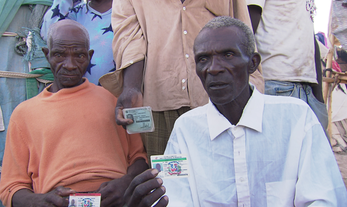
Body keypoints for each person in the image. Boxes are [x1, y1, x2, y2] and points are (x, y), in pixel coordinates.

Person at [123, 16, 347, 206]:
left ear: (253, 63)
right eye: (203, 59)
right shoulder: (186, 130)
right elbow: (178, 199)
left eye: (228, 55)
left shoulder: (295, 118)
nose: (214, 68)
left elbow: (323, 197)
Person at [0, 19, 148, 207]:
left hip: (117, 200)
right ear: (47, 55)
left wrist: (125, 184)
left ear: (90, 56)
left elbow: (140, 158)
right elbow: (10, 188)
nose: (69, 65)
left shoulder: (112, 101)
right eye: (59, 55)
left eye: (79, 55)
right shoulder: (23, 114)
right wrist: (40, 201)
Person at [99, 0, 265, 160]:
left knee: (228, 171)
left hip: (222, 100)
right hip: (162, 101)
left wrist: (253, 94)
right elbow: (129, 40)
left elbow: (243, 33)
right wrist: (131, 87)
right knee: (167, 180)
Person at [247, 0, 329, 132]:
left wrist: (318, 97)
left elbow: (311, 39)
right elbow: (247, 28)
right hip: (276, 84)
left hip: (308, 88)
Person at [41, 0, 114, 85]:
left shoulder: (126, 14)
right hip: (77, 93)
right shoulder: (75, 13)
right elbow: (50, 34)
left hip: (116, 94)